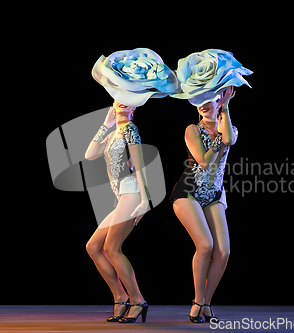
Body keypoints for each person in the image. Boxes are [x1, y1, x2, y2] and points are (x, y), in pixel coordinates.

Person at [85, 48, 178, 323]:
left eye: (128, 102)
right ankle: (120, 297)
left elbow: (141, 170)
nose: (122, 104)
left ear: (136, 105)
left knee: (112, 249)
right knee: (93, 248)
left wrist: (144, 203)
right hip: (121, 196)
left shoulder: (130, 131)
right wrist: (105, 123)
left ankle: (137, 300)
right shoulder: (115, 130)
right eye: (118, 100)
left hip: (131, 194)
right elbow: (90, 154)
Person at [169, 49, 252, 323]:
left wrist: (226, 110)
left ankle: (206, 302)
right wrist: (217, 136)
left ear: (219, 100)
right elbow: (204, 162)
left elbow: (230, 138)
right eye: (198, 100)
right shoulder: (192, 129)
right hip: (189, 191)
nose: (203, 104)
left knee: (224, 251)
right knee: (204, 246)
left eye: (209, 99)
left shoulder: (230, 127)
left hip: (214, 194)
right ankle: (197, 300)